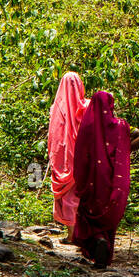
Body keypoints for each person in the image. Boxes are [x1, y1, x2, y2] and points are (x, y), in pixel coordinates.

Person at [69, 90, 139, 268]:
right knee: (106, 213)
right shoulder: (120, 126)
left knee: (90, 213)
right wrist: (125, 149)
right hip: (111, 181)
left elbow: (80, 155)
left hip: (92, 181)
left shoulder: (87, 127)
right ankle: (103, 245)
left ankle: (98, 242)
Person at [48, 72, 89, 231]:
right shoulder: (87, 106)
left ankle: (71, 233)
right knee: (78, 193)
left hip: (61, 156)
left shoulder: (55, 108)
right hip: (80, 156)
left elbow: (52, 134)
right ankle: (79, 232)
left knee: (67, 194)